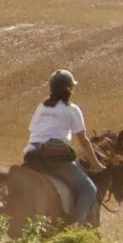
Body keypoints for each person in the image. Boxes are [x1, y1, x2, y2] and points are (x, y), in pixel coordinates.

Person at [23, 68, 100, 224]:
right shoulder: (72, 109)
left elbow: (33, 130)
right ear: (69, 89)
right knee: (89, 189)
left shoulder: (41, 107)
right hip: (54, 158)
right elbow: (83, 141)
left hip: (31, 155)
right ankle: (74, 226)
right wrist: (96, 164)